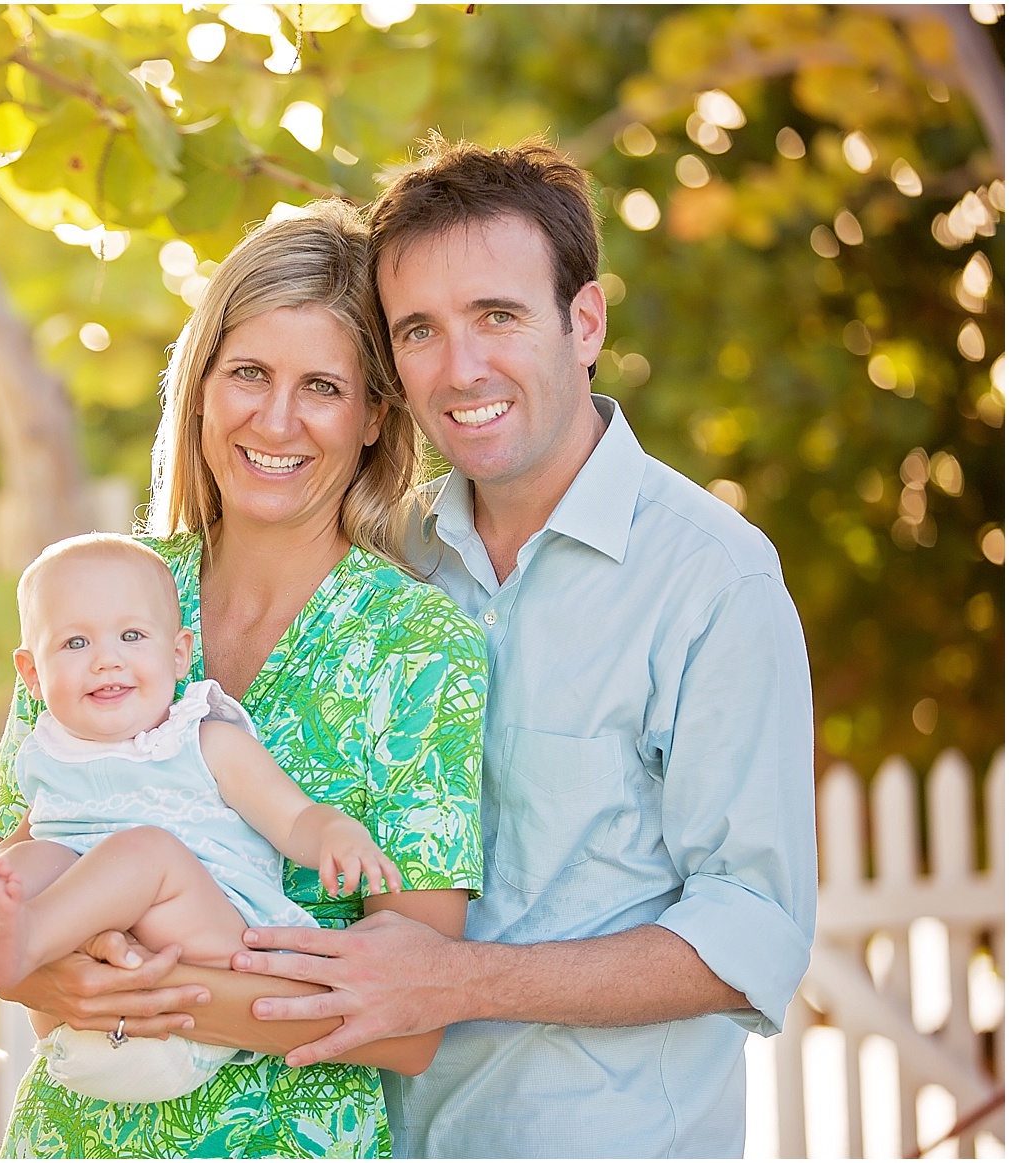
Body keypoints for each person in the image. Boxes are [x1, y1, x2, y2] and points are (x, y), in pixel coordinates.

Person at [229, 137, 818, 1157]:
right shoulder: (382, 557)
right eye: (419, 331)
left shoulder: (711, 579)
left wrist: (459, 980)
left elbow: (755, 928)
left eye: (497, 316)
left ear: (582, 321)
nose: (461, 369)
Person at [0, 201, 489, 1157]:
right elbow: (3, 900)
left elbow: (409, 1020)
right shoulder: (95, 597)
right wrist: (42, 972)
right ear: (202, 383)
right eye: (249, 372)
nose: (276, 419)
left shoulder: (419, 650)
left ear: (375, 414)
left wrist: (99, 984)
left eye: (322, 386)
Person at [0, 532, 402, 1103]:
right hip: (86, 1024)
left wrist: (334, 832)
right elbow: (23, 863)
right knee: (20, 859)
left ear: (178, 654)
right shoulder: (48, 753)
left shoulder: (204, 738)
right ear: (32, 675)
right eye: (75, 642)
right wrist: (3, 885)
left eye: (131, 636)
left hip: (213, 942)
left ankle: (26, 941)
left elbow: (294, 817)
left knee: (144, 851)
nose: (107, 659)